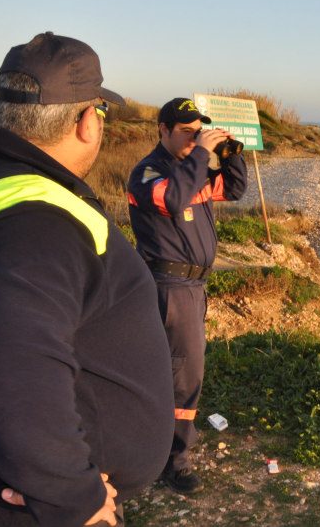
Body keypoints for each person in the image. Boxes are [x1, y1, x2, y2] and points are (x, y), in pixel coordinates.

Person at [0, 32, 174, 526]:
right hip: (20, 508)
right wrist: (71, 497)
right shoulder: (35, 218)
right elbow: (15, 377)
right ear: (87, 122)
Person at [126, 97, 248, 493]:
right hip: (170, 287)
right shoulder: (148, 173)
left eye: (200, 131)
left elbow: (234, 189)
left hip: (193, 287)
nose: (196, 138)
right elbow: (173, 199)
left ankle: (160, 449)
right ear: (162, 129)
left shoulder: (188, 170)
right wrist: (201, 154)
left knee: (175, 372)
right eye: (187, 132)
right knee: (184, 376)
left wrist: (228, 154)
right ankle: (174, 462)